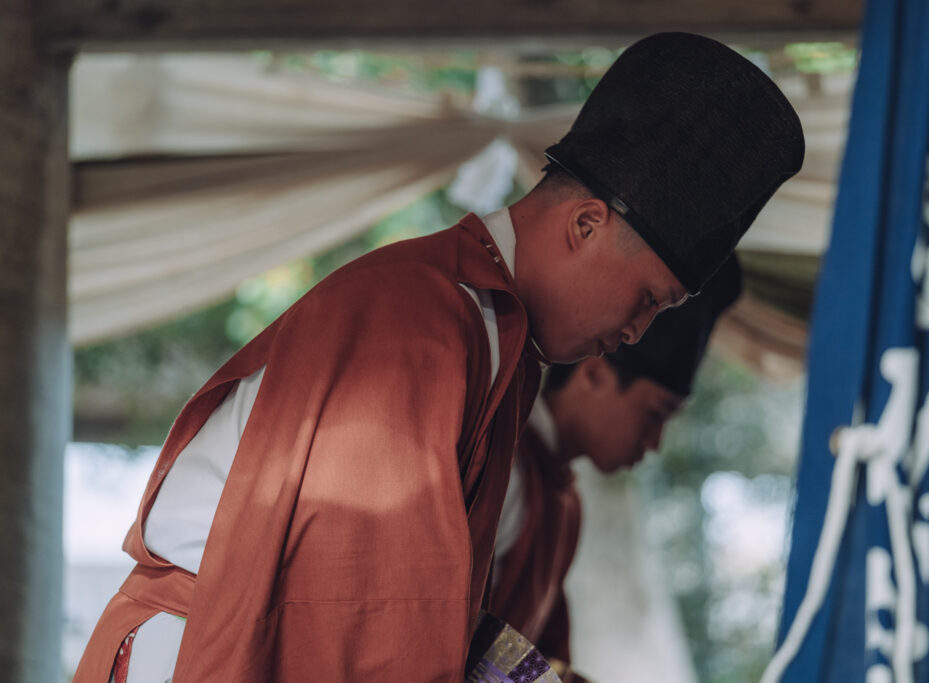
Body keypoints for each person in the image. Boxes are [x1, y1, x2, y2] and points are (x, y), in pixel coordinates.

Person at [74, 32, 803, 682]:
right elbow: (367, 605)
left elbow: (420, 603)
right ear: (586, 223)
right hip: (200, 651)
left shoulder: (497, 339)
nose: (638, 330)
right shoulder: (418, 318)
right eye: (648, 297)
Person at [488, 256, 742, 680]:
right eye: (655, 413)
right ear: (594, 374)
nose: (655, 442)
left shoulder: (563, 500)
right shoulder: (502, 465)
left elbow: (546, 655)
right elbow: (451, 625)